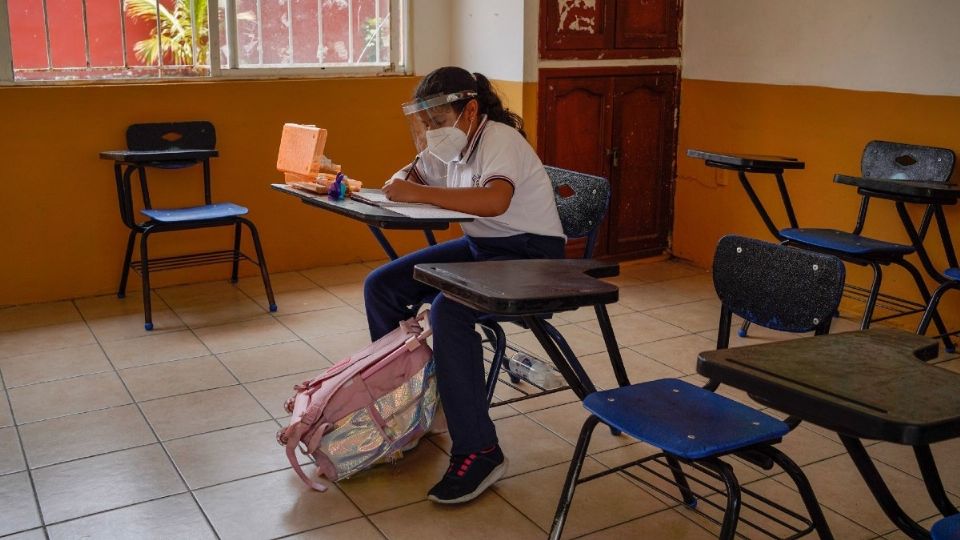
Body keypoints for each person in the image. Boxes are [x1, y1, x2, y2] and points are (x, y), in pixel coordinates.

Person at [363, 66, 565, 504]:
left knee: (448, 309)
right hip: (485, 249)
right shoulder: (451, 145)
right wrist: (405, 182)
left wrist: (417, 194)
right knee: (383, 286)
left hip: (532, 258)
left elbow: (495, 200)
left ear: (470, 110)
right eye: (427, 124)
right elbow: (412, 178)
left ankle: (481, 449)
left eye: (438, 121)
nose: (433, 132)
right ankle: (409, 407)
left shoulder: (499, 140)